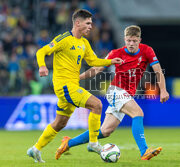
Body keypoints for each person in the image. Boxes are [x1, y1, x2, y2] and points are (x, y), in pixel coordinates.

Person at [55, 25, 169, 160]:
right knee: (138, 113)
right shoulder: (116, 53)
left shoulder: (147, 50)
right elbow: (97, 69)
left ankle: (68, 143)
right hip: (115, 91)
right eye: (129, 40)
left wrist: (163, 90)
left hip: (127, 95)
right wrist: (77, 78)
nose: (131, 44)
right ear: (125, 40)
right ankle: (144, 151)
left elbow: (158, 70)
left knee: (105, 131)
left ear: (139, 40)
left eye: (134, 40)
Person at [27, 9, 122, 163]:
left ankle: (35, 149)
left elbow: (93, 61)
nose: (91, 26)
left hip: (71, 86)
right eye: (88, 23)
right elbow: (41, 51)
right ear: (77, 23)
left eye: (91, 23)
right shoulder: (64, 39)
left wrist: (110, 61)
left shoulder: (84, 43)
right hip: (64, 86)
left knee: (60, 123)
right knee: (97, 105)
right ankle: (93, 143)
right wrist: (42, 66)